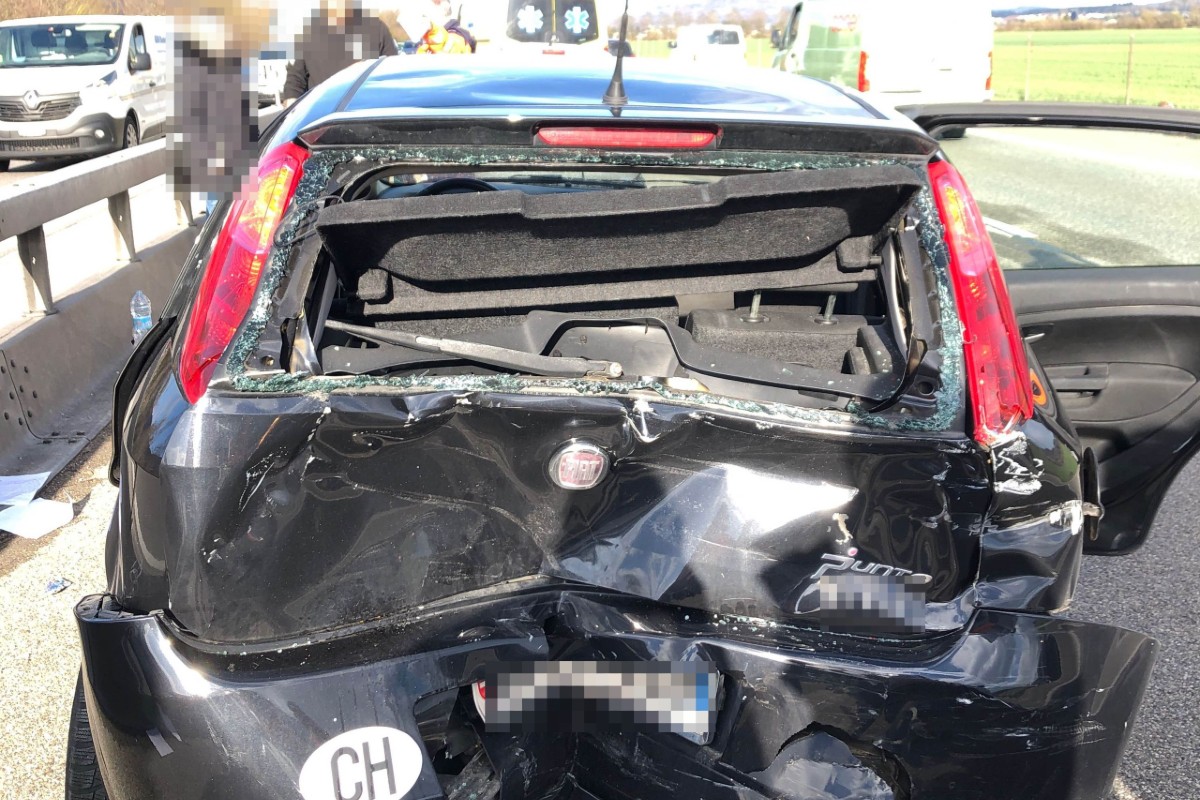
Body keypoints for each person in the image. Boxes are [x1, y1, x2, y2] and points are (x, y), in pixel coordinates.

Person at [282, 0, 397, 107]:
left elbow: (394, 76)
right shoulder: (308, 34)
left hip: (366, 113)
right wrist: (292, 108)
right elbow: (294, 84)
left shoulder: (376, 29)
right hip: (321, 116)